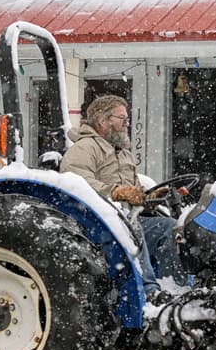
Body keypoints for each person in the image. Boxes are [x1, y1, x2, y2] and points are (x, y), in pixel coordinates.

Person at [60, 95, 186, 298]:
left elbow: (133, 193)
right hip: (98, 225)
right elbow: (77, 185)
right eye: (122, 118)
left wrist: (150, 198)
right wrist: (115, 192)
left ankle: (174, 288)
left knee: (168, 227)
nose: (127, 123)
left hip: (127, 219)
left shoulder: (124, 154)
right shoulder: (84, 149)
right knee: (132, 228)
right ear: (102, 121)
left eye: (127, 119)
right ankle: (149, 292)